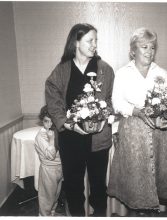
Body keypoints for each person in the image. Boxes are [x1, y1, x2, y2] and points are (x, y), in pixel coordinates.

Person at [45, 23, 114, 216]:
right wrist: (67, 123)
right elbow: (53, 99)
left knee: (99, 186)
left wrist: (103, 116)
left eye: (96, 40)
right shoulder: (61, 70)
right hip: (70, 137)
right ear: (76, 42)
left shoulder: (105, 69)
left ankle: (99, 215)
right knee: (74, 187)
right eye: (89, 40)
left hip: (98, 139)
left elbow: (109, 100)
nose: (94, 45)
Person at [107, 27, 167, 215]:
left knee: (156, 179)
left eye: (152, 47)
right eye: (144, 47)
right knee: (135, 181)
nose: (149, 51)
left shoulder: (163, 74)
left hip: (157, 133)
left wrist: (166, 119)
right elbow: (117, 102)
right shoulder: (123, 73)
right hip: (133, 133)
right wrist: (137, 111)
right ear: (133, 51)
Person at [35, 105, 63, 216]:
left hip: (59, 168)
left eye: (53, 122)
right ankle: (43, 216)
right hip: (48, 170)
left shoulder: (56, 132)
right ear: (42, 121)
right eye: (46, 121)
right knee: (46, 198)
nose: (50, 125)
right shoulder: (41, 136)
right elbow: (51, 155)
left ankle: (52, 214)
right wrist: (51, 140)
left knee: (55, 195)